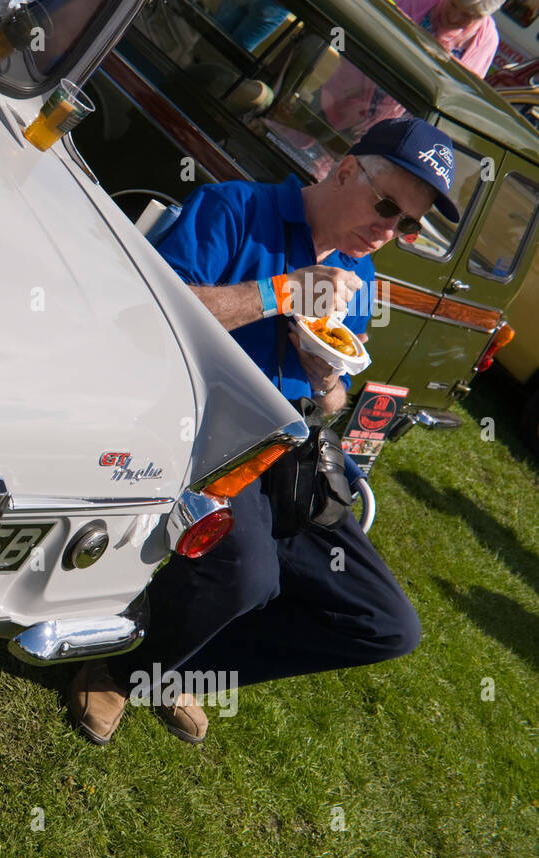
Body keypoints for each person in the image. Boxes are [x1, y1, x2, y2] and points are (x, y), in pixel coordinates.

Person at [67, 117, 455, 745]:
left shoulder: (360, 280)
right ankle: (124, 668)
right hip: (201, 420)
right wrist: (281, 292)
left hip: (290, 448)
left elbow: (333, 396)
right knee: (249, 574)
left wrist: (325, 376)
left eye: (406, 224)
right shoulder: (235, 206)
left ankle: (181, 663)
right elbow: (152, 309)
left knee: (385, 624)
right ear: (346, 169)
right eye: (387, 207)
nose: (388, 232)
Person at [398, 0, 502, 78]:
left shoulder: (486, 41)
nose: (453, 18)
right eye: (452, 4)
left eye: (467, 16)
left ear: (481, 17)